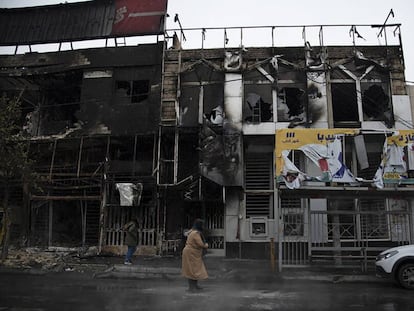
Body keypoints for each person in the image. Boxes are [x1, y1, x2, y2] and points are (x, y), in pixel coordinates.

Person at [181, 218, 209, 292]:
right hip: (191, 253)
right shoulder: (195, 233)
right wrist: (206, 245)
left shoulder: (192, 231)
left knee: (194, 270)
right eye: (202, 225)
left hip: (192, 253)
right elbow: (200, 244)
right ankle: (192, 287)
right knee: (191, 270)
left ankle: (194, 286)